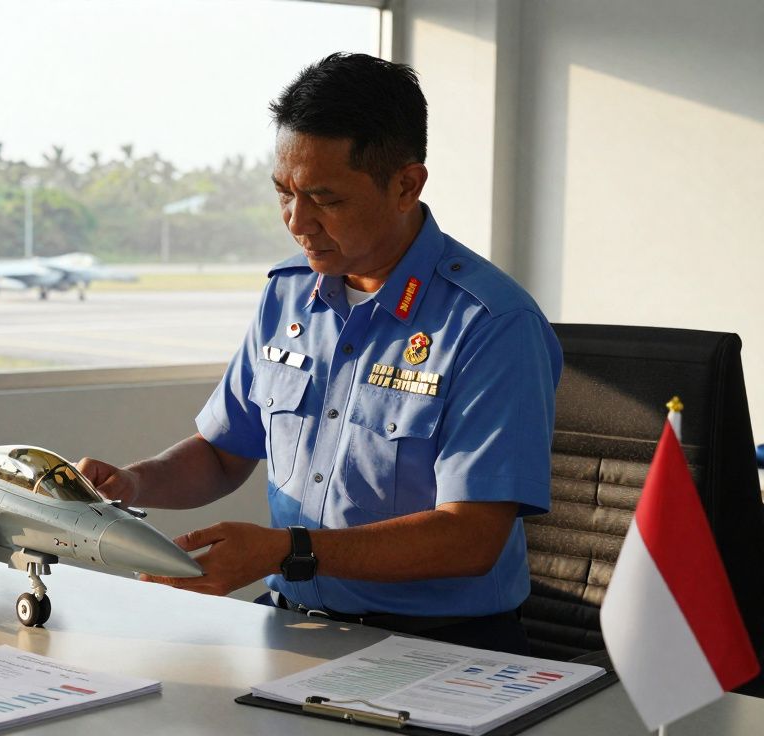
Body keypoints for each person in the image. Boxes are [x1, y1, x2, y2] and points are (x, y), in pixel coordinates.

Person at [77, 53, 561, 654]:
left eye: (326, 200)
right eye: (284, 193)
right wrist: (130, 481)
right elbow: (224, 454)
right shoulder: (288, 295)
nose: (297, 222)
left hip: (442, 646)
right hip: (293, 622)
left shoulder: (490, 324)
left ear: (407, 185)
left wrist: (288, 551)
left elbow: (471, 537)